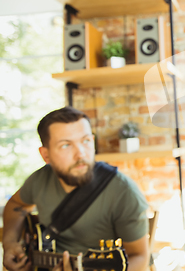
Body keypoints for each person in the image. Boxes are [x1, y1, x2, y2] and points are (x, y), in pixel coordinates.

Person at [2, 107, 150, 271]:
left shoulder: (124, 192)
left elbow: (140, 257)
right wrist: (9, 244)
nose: (81, 154)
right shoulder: (39, 180)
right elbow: (16, 205)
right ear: (46, 155)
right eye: (66, 145)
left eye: (86, 141)